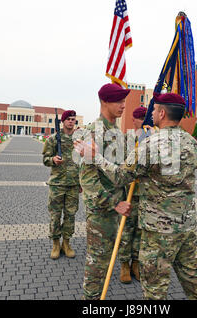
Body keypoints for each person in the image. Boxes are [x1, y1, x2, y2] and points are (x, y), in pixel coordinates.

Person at [76, 92, 197, 300]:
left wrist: (95, 157)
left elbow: (122, 176)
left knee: (155, 290)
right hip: (186, 226)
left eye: (156, 109)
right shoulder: (193, 144)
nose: (153, 113)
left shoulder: (151, 145)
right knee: (196, 281)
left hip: (159, 230)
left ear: (162, 113)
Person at [78, 83, 130, 300]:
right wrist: (113, 203)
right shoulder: (94, 132)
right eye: (119, 101)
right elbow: (87, 180)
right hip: (102, 210)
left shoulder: (116, 131)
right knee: (97, 263)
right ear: (105, 102)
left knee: (107, 260)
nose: (123, 105)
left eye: (124, 101)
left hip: (115, 209)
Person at [42, 110, 80, 260]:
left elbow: (82, 162)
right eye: (68, 119)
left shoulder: (78, 140)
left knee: (70, 215)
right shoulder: (52, 139)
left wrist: (81, 182)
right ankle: (56, 244)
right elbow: (45, 159)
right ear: (63, 122)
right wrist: (53, 160)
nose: (71, 122)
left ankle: (67, 243)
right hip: (57, 183)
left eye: (73, 120)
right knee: (55, 215)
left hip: (73, 184)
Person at [118, 106, 148, 284]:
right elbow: (119, 165)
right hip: (128, 192)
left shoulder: (152, 139)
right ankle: (124, 264)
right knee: (126, 230)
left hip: (145, 194)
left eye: (146, 118)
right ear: (134, 120)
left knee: (140, 231)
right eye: (140, 118)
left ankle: (136, 262)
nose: (144, 121)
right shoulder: (126, 140)